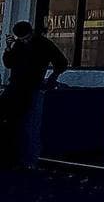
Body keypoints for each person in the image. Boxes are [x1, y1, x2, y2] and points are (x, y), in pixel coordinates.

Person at [1, 20, 68, 167]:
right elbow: (8, 63)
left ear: (31, 33)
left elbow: (62, 62)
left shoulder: (44, 44)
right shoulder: (18, 45)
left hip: (32, 87)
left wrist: (51, 79)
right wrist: (8, 48)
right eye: (22, 39)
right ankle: (9, 156)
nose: (25, 41)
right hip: (15, 86)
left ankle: (27, 160)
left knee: (28, 124)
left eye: (26, 38)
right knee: (9, 120)